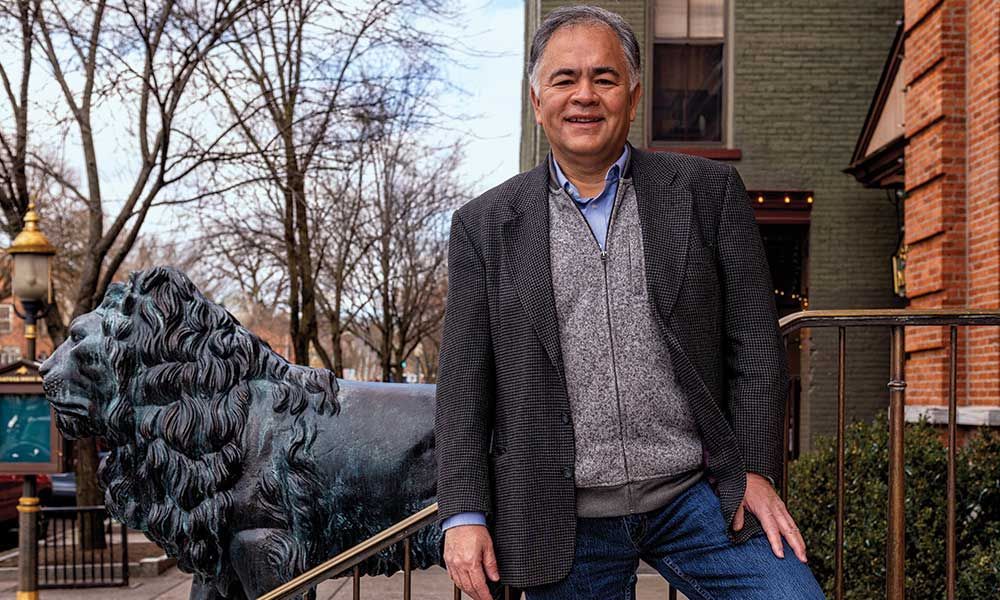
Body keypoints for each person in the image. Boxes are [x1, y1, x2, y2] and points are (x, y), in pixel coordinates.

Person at [434, 6, 825, 600]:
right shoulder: (484, 225)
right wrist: (463, 516)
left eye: (605, 78)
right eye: (564, 80)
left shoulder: (706, 193)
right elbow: (463, 382)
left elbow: (755, 347)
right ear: (537, 101)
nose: (584, 96)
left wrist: (753, 470)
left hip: (699, 495)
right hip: (562, 516)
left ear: (633, 96)